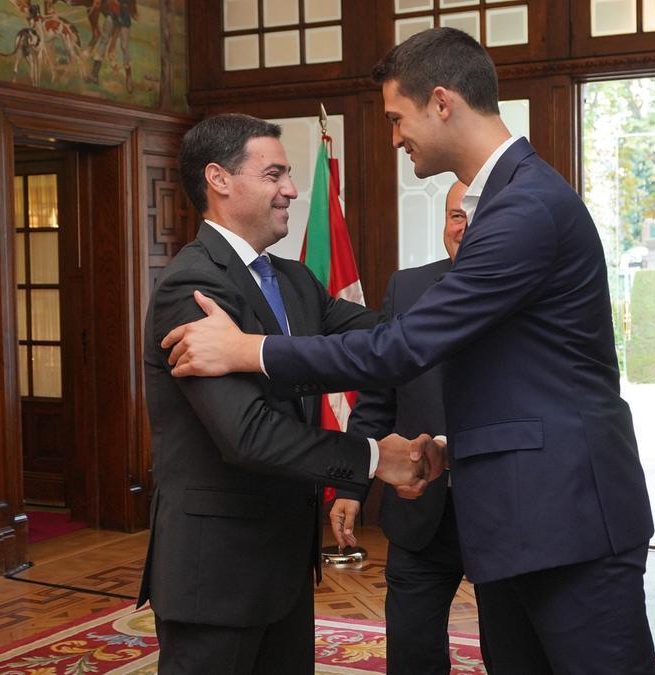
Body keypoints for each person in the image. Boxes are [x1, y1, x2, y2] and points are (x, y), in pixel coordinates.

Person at [162, 29, 655, 674]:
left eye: (398, 117)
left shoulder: (523, 208)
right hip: (523, 512)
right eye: (275, 173)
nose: (395, 137)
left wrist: (249, 349)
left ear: (443, 102)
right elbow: (506, 366)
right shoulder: (510, 200)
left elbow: (401, 348)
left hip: (564, 514)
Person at [137, 113, 443, 674]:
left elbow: (383, 339)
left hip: (284, 566)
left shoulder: (296, 281)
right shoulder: (193, 286)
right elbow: (247, 435)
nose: (292, 190)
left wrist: (477, 284)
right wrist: (375, 458)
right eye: (274, 173)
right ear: (219, 179)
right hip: (217, 576)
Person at [330, 180, 472, 675]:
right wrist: (352, 484)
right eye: (456, 215)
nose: (464, 226)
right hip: (419, 509)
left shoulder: (531, 291)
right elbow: (377, 396)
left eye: (477, 213)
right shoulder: (407, 288)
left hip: (502, 510)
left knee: (514, 650)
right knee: (411, 653)